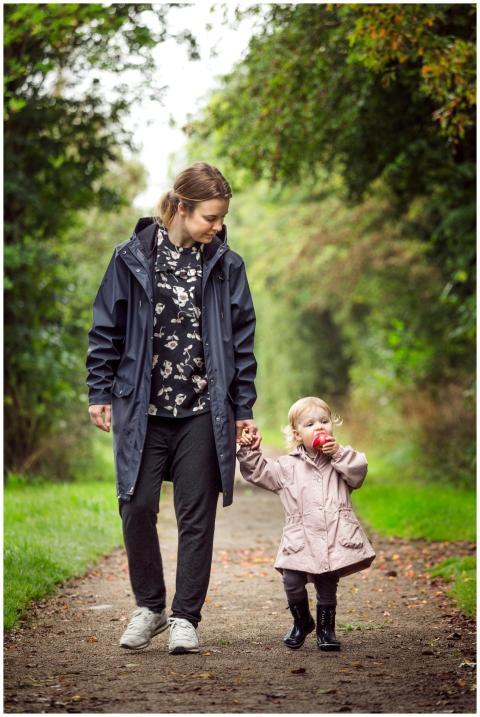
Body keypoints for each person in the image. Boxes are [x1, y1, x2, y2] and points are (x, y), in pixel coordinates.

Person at [86, 162, 260, 655]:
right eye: (210, 216)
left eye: (222, 218)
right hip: (142, 408)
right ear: (181, 208)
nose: (218, 226)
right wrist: (99, 391)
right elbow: (105, 329)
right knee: (136, 505)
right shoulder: (130, 258)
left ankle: (185, 616)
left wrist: (242, 407)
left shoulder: (228, 266)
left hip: (204, 410)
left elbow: (243, 343)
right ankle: (150, 607)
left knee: (195, 515)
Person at [237, 396, 375, 651]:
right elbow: (258, 472)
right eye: (310, 424)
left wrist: (339, 453)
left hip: (333, 535)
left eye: (324, 421)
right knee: (291, 580)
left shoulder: (342, 461)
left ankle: (326, 630)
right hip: (299, 538)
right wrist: (247, 450)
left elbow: (359, 472)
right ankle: (302, 621)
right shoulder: (287, 466)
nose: (319, 427)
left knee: (327, 584)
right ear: (297, 434)